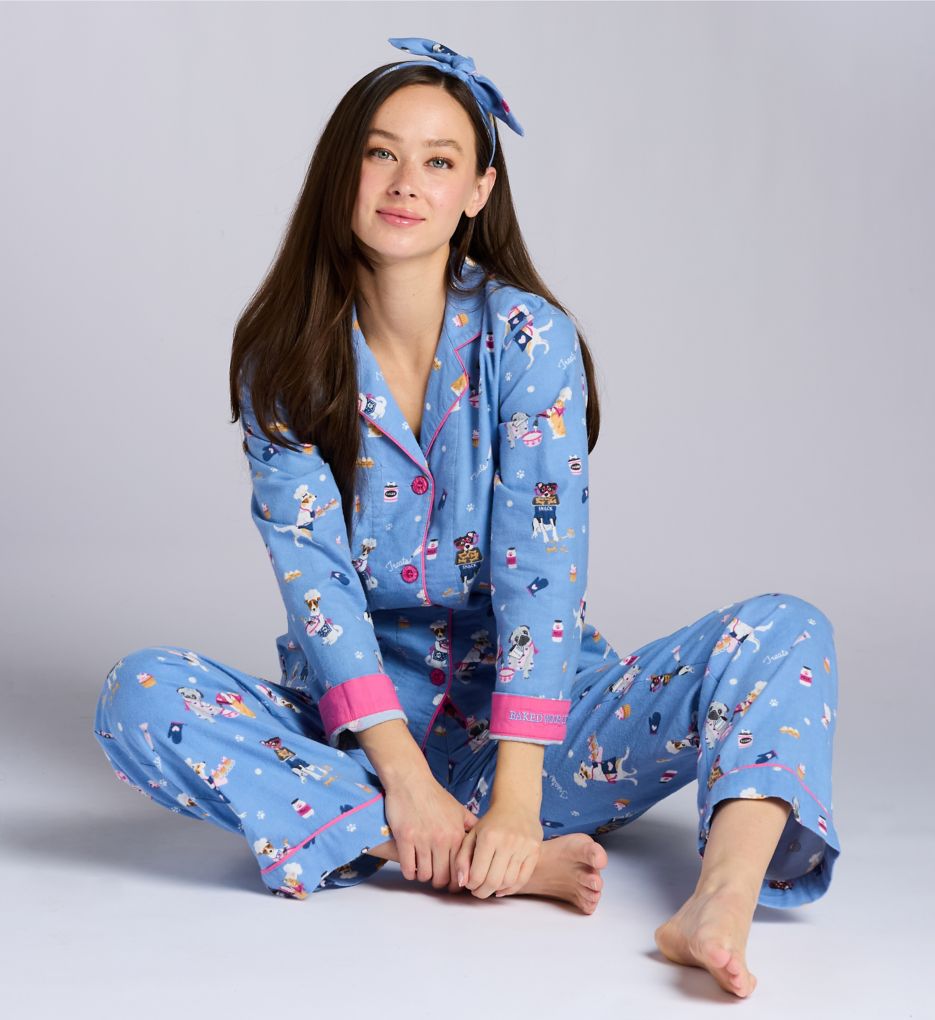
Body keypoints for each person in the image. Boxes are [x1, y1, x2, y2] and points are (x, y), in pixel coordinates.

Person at [93, 37, 841, 1000]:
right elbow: (317, 587)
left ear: (478, 190)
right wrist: (407, 784)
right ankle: (455, 854)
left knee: (786, 630)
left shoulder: (528, 339)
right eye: (380, 152)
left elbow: (541, 572)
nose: (406, 183)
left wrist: (518, 803)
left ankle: (718, 902)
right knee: (138, 695)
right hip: (366, 748)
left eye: (439, 161)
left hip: (550, 746)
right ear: (341, 171)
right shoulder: (283, 359)